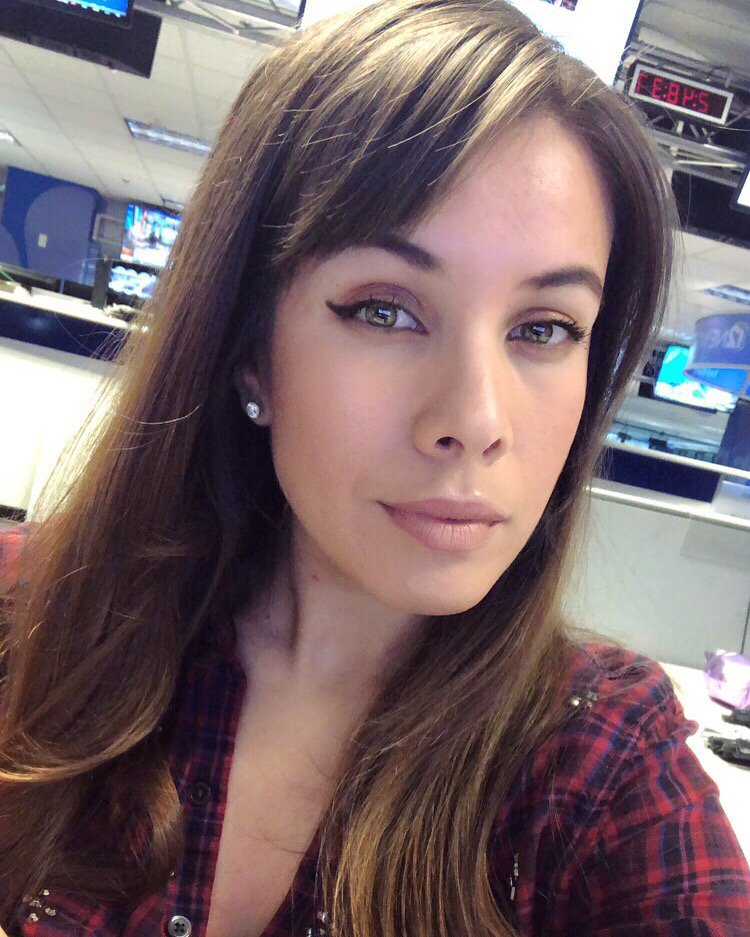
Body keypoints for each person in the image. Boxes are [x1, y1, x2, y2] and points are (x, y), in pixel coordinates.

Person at [1, 1, 748, 935]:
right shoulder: (30, 622)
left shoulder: (603, 766)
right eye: (385, 310)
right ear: (249, 347)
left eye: (545, 328)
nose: (475, 421)